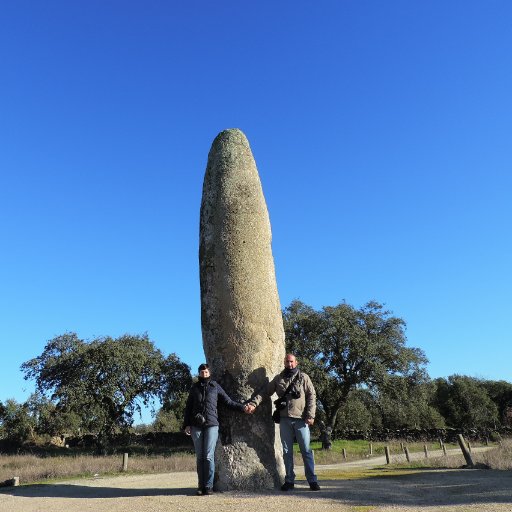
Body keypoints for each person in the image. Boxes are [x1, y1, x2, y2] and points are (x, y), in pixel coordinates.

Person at [246, 353, 320, 491]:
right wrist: (254, 403)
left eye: (291, 362)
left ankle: (312, 480)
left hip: (301, 419)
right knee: (287, 452)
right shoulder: (278, 378)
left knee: (306, 450)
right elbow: (265, 392)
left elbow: (311, 396)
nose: (289, 364)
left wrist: (310, 415)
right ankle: (289, 480)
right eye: (287, 362)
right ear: (284, 362)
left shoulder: (304, 377)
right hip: (285, 419)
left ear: (296, 362)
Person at [184, 363, 249, 495]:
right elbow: (188, 407)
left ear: (210, 373)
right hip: (196, 425)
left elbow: (228, 402)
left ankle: (208, 486)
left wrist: (242, 407)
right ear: (199, 373)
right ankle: (200, 486)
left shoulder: (215, 387)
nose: (204, 374)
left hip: (212, 424)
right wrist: (186, 424)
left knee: (208, 456)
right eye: (202, 372)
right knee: (200, 457)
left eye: (206, 372)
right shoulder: (194, 388)